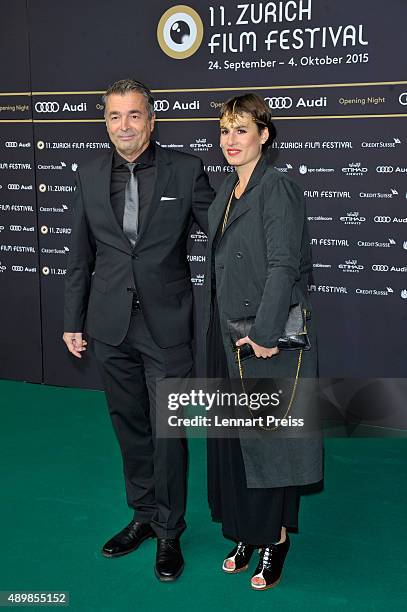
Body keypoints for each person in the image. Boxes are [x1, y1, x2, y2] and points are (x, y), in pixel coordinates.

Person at [63, 78, 214, 582]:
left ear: (151, 119)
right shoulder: (87, 175)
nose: (123, 126)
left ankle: (170, 531)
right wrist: (72, 320)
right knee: (130, 426)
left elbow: (222, 233)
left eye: (133, 115)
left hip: (166, 326)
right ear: (104, 122)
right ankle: (143, 515)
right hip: (109, 327)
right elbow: (79, 256)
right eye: (113, 117)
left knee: (169, 434)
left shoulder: (186, 169)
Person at [202, 94, 322, 590]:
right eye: (226, 130)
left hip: (261, 339)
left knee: (270, 444)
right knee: (236, 442)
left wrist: (266, 334)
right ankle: (246, 533)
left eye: (241, 130)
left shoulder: (278, 188)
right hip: (225, 335)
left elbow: (283, 266)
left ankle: (274, 541)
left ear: (263, 136)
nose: (231, 140)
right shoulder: (227, 191)